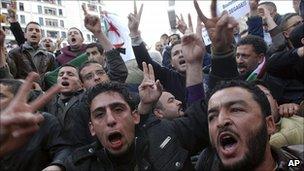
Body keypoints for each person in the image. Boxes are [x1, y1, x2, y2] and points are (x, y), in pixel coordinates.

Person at [196, 80, 304, 171]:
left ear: (269, 125)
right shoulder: (206, 164)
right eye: (212, 117)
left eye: (236, 110)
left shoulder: (298, 160)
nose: (220, 121)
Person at [0, 74, 72, 171]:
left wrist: (57, 166)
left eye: (1, 96)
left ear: (20, 99)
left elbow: (63, 149)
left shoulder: (44, 120)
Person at [255, 81, 304, 149]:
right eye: (255, 97)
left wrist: (300, 109)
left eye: (265, 94)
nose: (261, 99)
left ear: (276, 104)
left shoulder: (294, 114)